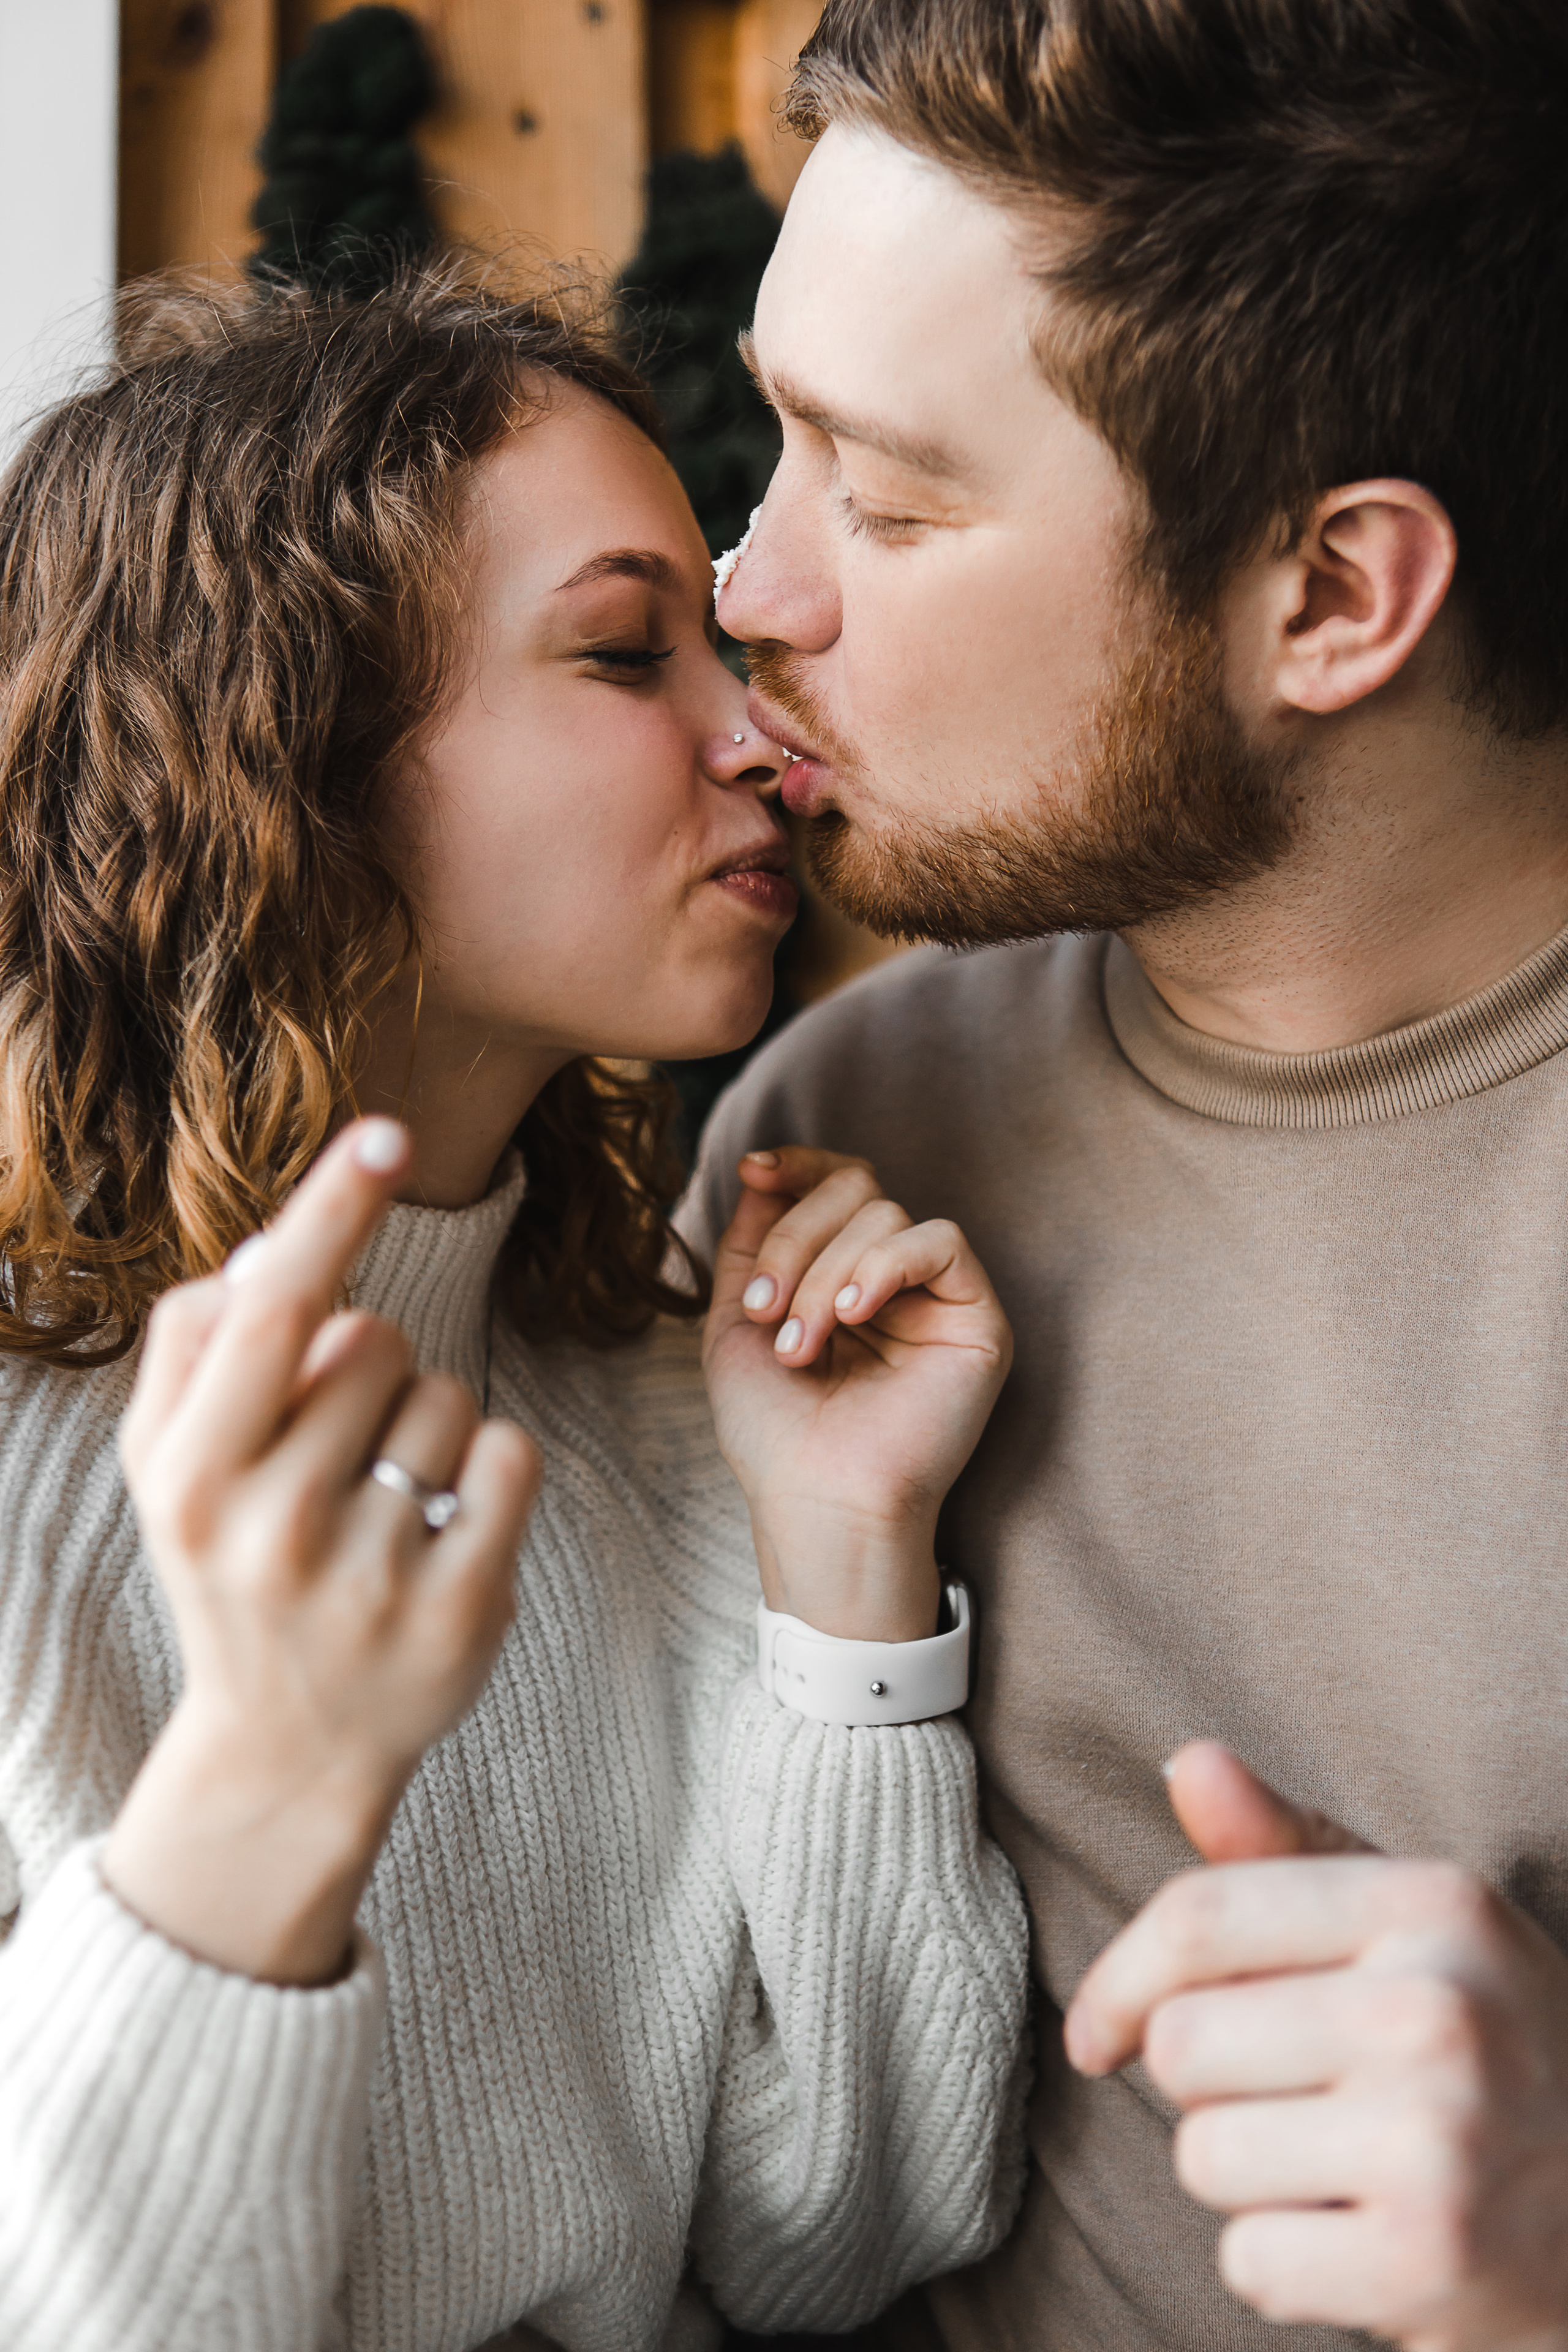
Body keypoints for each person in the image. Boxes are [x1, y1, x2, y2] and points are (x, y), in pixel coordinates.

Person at [0, 262, 1031, 2352]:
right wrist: (266, 1790)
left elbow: (836, 2240)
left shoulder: (667, 1381)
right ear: (284, 741)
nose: (767, 739)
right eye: (627, 651)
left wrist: (846, 1576)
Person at [680, 3, 1568, 2348]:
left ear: (1333, 599)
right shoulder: (825, 1138)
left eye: (880, 496)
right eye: (766, 443)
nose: (752, 589)